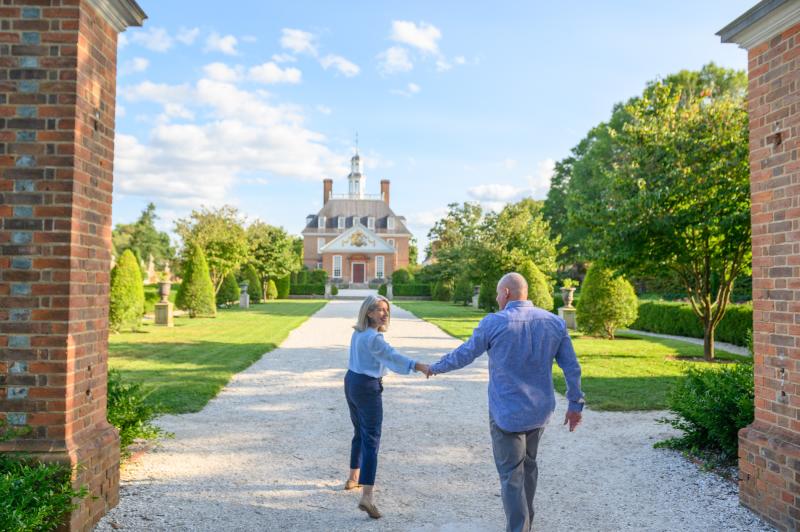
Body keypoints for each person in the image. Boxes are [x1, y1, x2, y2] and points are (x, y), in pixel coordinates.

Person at [428, 272, 584, 532]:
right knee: (529, 465)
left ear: (507, 293)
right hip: (540, 411)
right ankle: (526, 523)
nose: (498, 298)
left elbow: (465, 354)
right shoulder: (554, 323)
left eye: (499, 293)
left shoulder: (494, 322)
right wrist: (575, 404)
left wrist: (435, 367)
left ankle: (519, 528)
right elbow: (572, 367)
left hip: (507, 413)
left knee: (512, 474)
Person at [344, 294, 430, 519]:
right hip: (367, 386)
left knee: (359, 432)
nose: (385, 314)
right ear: (369, 312)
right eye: (380, 310)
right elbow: (393, 356)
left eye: (386, 310)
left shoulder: (358, 332)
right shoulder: (374, 339)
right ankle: (367, 497)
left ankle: (353, 478)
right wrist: (418, 365)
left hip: (351, 381)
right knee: (371, 438)